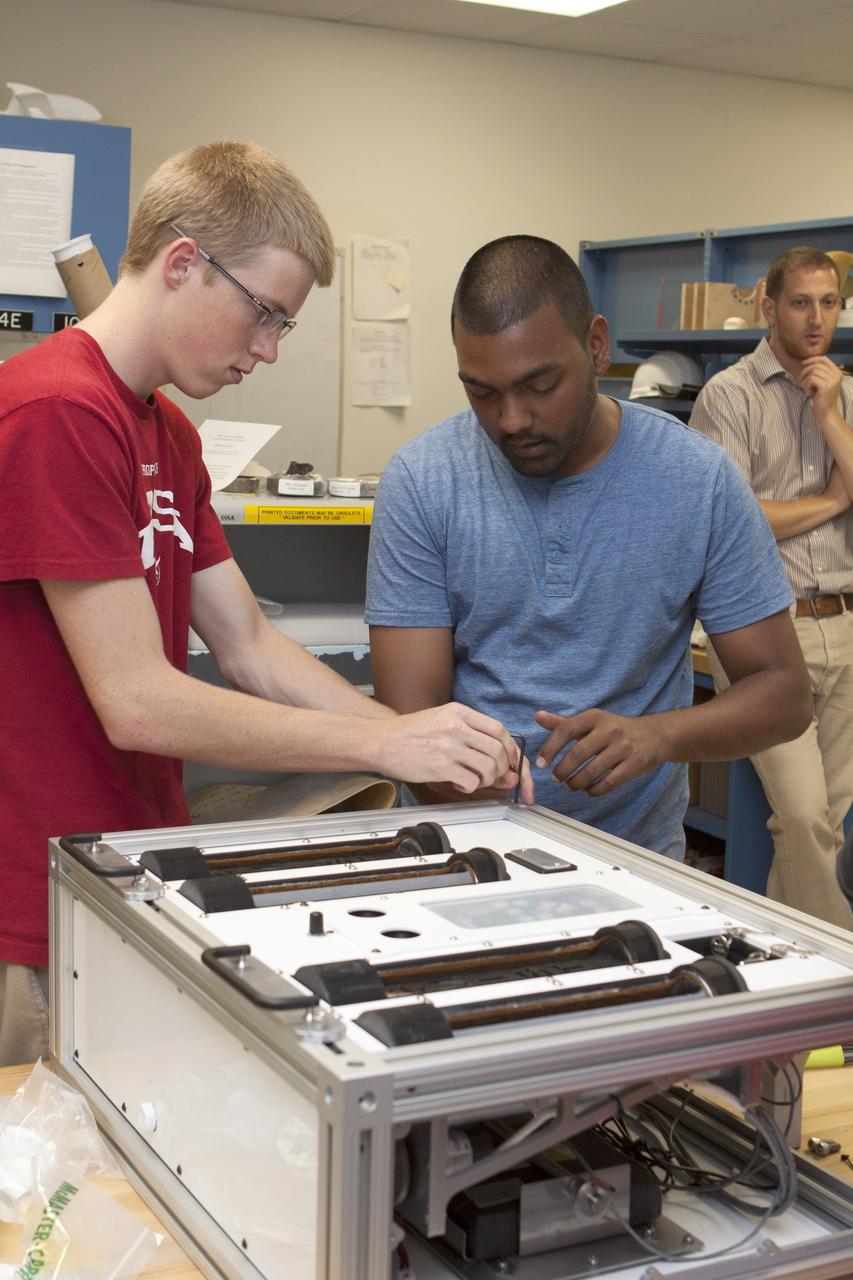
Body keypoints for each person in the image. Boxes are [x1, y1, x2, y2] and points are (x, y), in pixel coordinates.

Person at [0, 142, 521, 1067]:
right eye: (265, 316)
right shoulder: (54, 411)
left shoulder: (164, 431)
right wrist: (379, 741)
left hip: (127, 876)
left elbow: (245, 642)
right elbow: (137, 700)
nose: (268, 351)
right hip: (32, 908)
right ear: (184, 262)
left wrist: (416, 737)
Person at [366, 235, 811, 871]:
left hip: (637, 866)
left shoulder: (698, 480)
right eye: (482, 392)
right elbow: (408, 718)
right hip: (461, 856)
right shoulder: (422, 481)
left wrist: (657, 737)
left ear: (596, 345)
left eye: (539, 384)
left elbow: (784, 694)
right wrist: (461, 775)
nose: (512, 419)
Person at [690, 246, 853, 930]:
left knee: (838, 824)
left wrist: (828, 418)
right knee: (803, 817)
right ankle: (840, 991)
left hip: (843, 620)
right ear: (767, 306)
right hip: (763, 634)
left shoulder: (844, 394)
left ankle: (791, 990)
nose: (815, 319)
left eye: (828, 302)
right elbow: (735, 519)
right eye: (799, 302)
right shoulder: (727, 395)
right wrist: (832, 501)